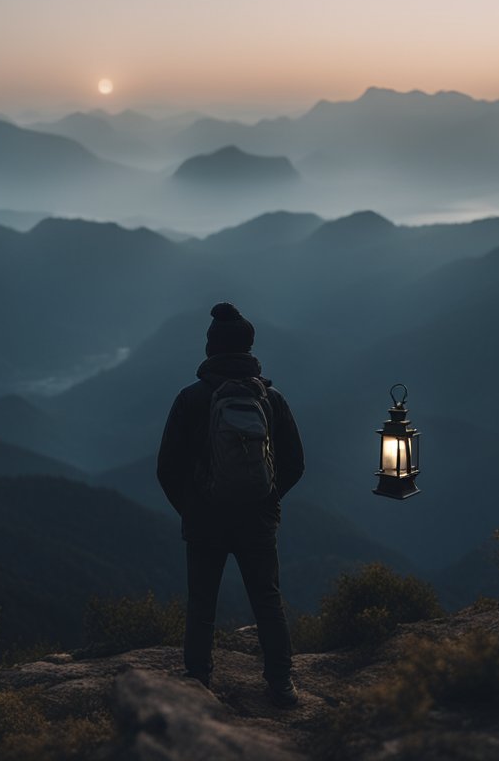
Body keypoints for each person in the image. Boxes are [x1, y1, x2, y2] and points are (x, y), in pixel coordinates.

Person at [157, 302, 305, 707]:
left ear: (210, 349)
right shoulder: (271, 399)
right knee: (267, 601)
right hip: (257, 520)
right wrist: (268, 498)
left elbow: (166, 467)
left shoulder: (190, 399)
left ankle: (198, 683)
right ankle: (281, 683)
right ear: (249, 348)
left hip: (205, 520)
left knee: (202, 604)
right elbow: (295, 463)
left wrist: (190, 507)